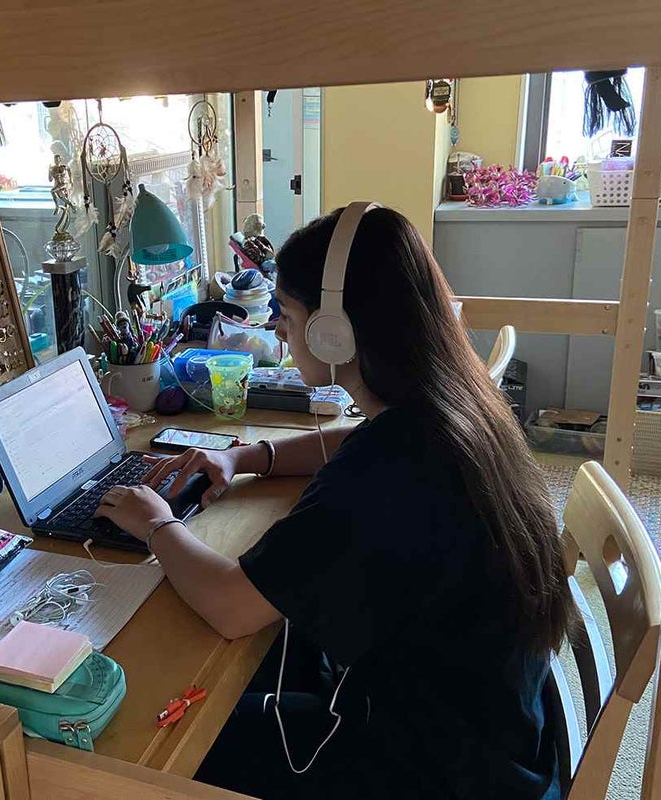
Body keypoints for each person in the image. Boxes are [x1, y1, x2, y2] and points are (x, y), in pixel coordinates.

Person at [94, 206, 577, 799]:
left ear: (335, 332)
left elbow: (231, 607)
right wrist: (247, 458)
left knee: (166, 746)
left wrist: (157, 524)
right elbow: (353, 440)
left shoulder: (387, 473)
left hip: (437, 775)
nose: (279, 332)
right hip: (495, 738)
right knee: (271, 660)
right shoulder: (449, 410)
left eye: (288, 316)